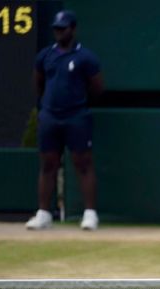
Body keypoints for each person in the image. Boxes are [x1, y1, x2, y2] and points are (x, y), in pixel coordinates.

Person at [25, 10, 103, 231]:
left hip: (76, 116)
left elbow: (97, 88)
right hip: (50, 117)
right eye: (56, 29)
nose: (59, 32)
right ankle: (44, 214)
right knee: (48, 165)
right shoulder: (44, 56)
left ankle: (89, 214)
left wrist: (76, 102)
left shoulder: (85, 57)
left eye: (63, 28)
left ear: (73, 29)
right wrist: (50, 107)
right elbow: (38, 85)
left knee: (83, 164)